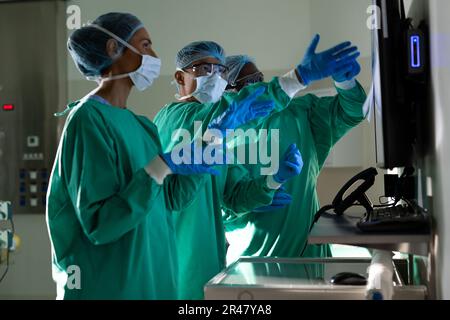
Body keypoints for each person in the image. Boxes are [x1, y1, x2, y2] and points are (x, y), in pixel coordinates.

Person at [46, 13, 269, 300]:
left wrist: (204, 151)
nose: (154, 55)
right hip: (107, 284)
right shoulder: (88, 120)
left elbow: (172, 199)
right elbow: (100, 224)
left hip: (149, 279)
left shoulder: (142, 126)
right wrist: (159, 166)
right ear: (114, 49)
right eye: (146, 44)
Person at [153, 38, 358, 299]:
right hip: (229, 264)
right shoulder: (209, 124)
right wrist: (300, 76)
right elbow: (215, 201)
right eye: (205, 70)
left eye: (218, 70)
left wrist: (271, 182)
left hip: (296, 258)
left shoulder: (291, 115)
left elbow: (230, 195)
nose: (257, 88)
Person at [223, 40, 368, 264]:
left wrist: (345, 81)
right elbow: (212, 209)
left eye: (259, 79)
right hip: (250, 262)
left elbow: (354, 111)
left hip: (308, 254)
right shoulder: (219, 135)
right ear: (228, 93)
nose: (258, 86)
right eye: (247, 83)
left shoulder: (299, 113)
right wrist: (249, 202)